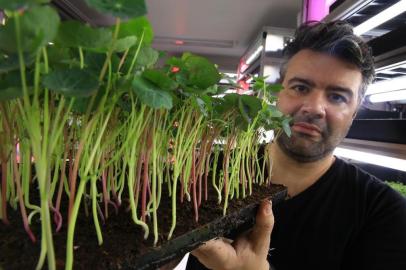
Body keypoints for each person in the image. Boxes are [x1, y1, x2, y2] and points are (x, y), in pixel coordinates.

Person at [185, 20, 406, 270]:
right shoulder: (208, 169)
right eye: (300, 87)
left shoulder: (384, 213)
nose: (314, 108)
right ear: (277, 94)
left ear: (354, 113)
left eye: (337, 96)